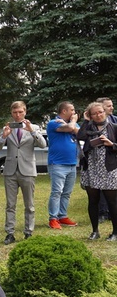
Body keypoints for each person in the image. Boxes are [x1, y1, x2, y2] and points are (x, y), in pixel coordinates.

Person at [0, 101, 47, 244]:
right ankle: (10, 233)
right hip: (10, 170)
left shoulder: (33, 127)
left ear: (25, 112)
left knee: (29, 204)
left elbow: (43, 144)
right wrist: (3, 136)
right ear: (11, 113)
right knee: (10, 205)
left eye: (20, 112)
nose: (18, 115)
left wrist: (32, 131)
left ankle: (28, 232)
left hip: (27, 170)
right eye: (15, 112)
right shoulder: (7, 128)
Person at [76, 102, 117, 241]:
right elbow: (79, 137)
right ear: (90, 115)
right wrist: (86, 121)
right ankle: (95, 231)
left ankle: (115, 232)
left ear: (105, 112)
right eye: (94, 113)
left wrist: (111, 145)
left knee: (112, 202)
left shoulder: (114, 127)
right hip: (91, 168)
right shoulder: (88, 128)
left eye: (100, 112)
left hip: (109, 169)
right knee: (93, 200)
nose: (98, 115)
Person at [45, 101, 80, 229]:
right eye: (72, 110)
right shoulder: (53, 123)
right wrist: (72, 121)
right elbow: (71, 128)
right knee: (57, 192)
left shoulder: (71, 123)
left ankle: (63, 216)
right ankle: (53, 218)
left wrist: (71, 123)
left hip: (71, 163)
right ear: (64, 111)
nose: (74, 112)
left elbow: (79, 132)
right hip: (57, 164)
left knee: (66, 193)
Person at [96, 97, 117, 222]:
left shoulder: (115, 121)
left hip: (113, 157)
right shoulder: (93, 123)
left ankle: (111, 212)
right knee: (101, 188)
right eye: (109, 106)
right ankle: (102, 212)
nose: (112, 108)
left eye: (111, 105)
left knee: (112, 188)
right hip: (98, 160)